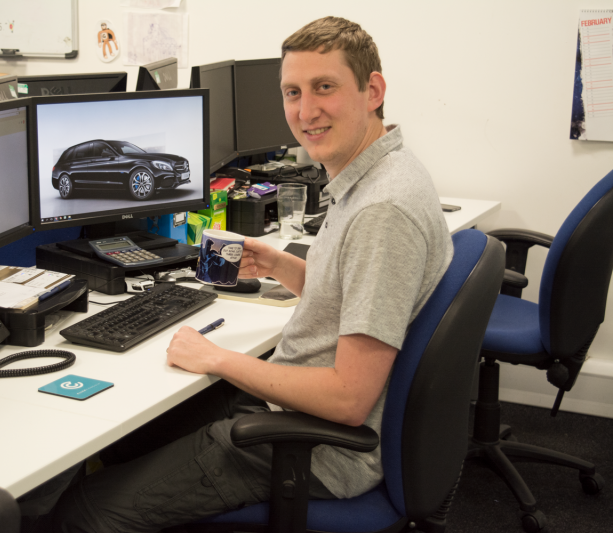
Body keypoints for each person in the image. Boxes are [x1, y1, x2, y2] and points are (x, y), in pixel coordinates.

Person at [47, 15, 453, 533]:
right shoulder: (379, 175)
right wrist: (287, 267)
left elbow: (348, 399)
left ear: (372, 89)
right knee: (124, 432)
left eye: (324, 88)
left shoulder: (382, 211)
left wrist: (220, 358)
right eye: (292, 92)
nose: (305, 112)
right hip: (292, 412)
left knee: (83, 511)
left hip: (313, 447)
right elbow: (363, 301)